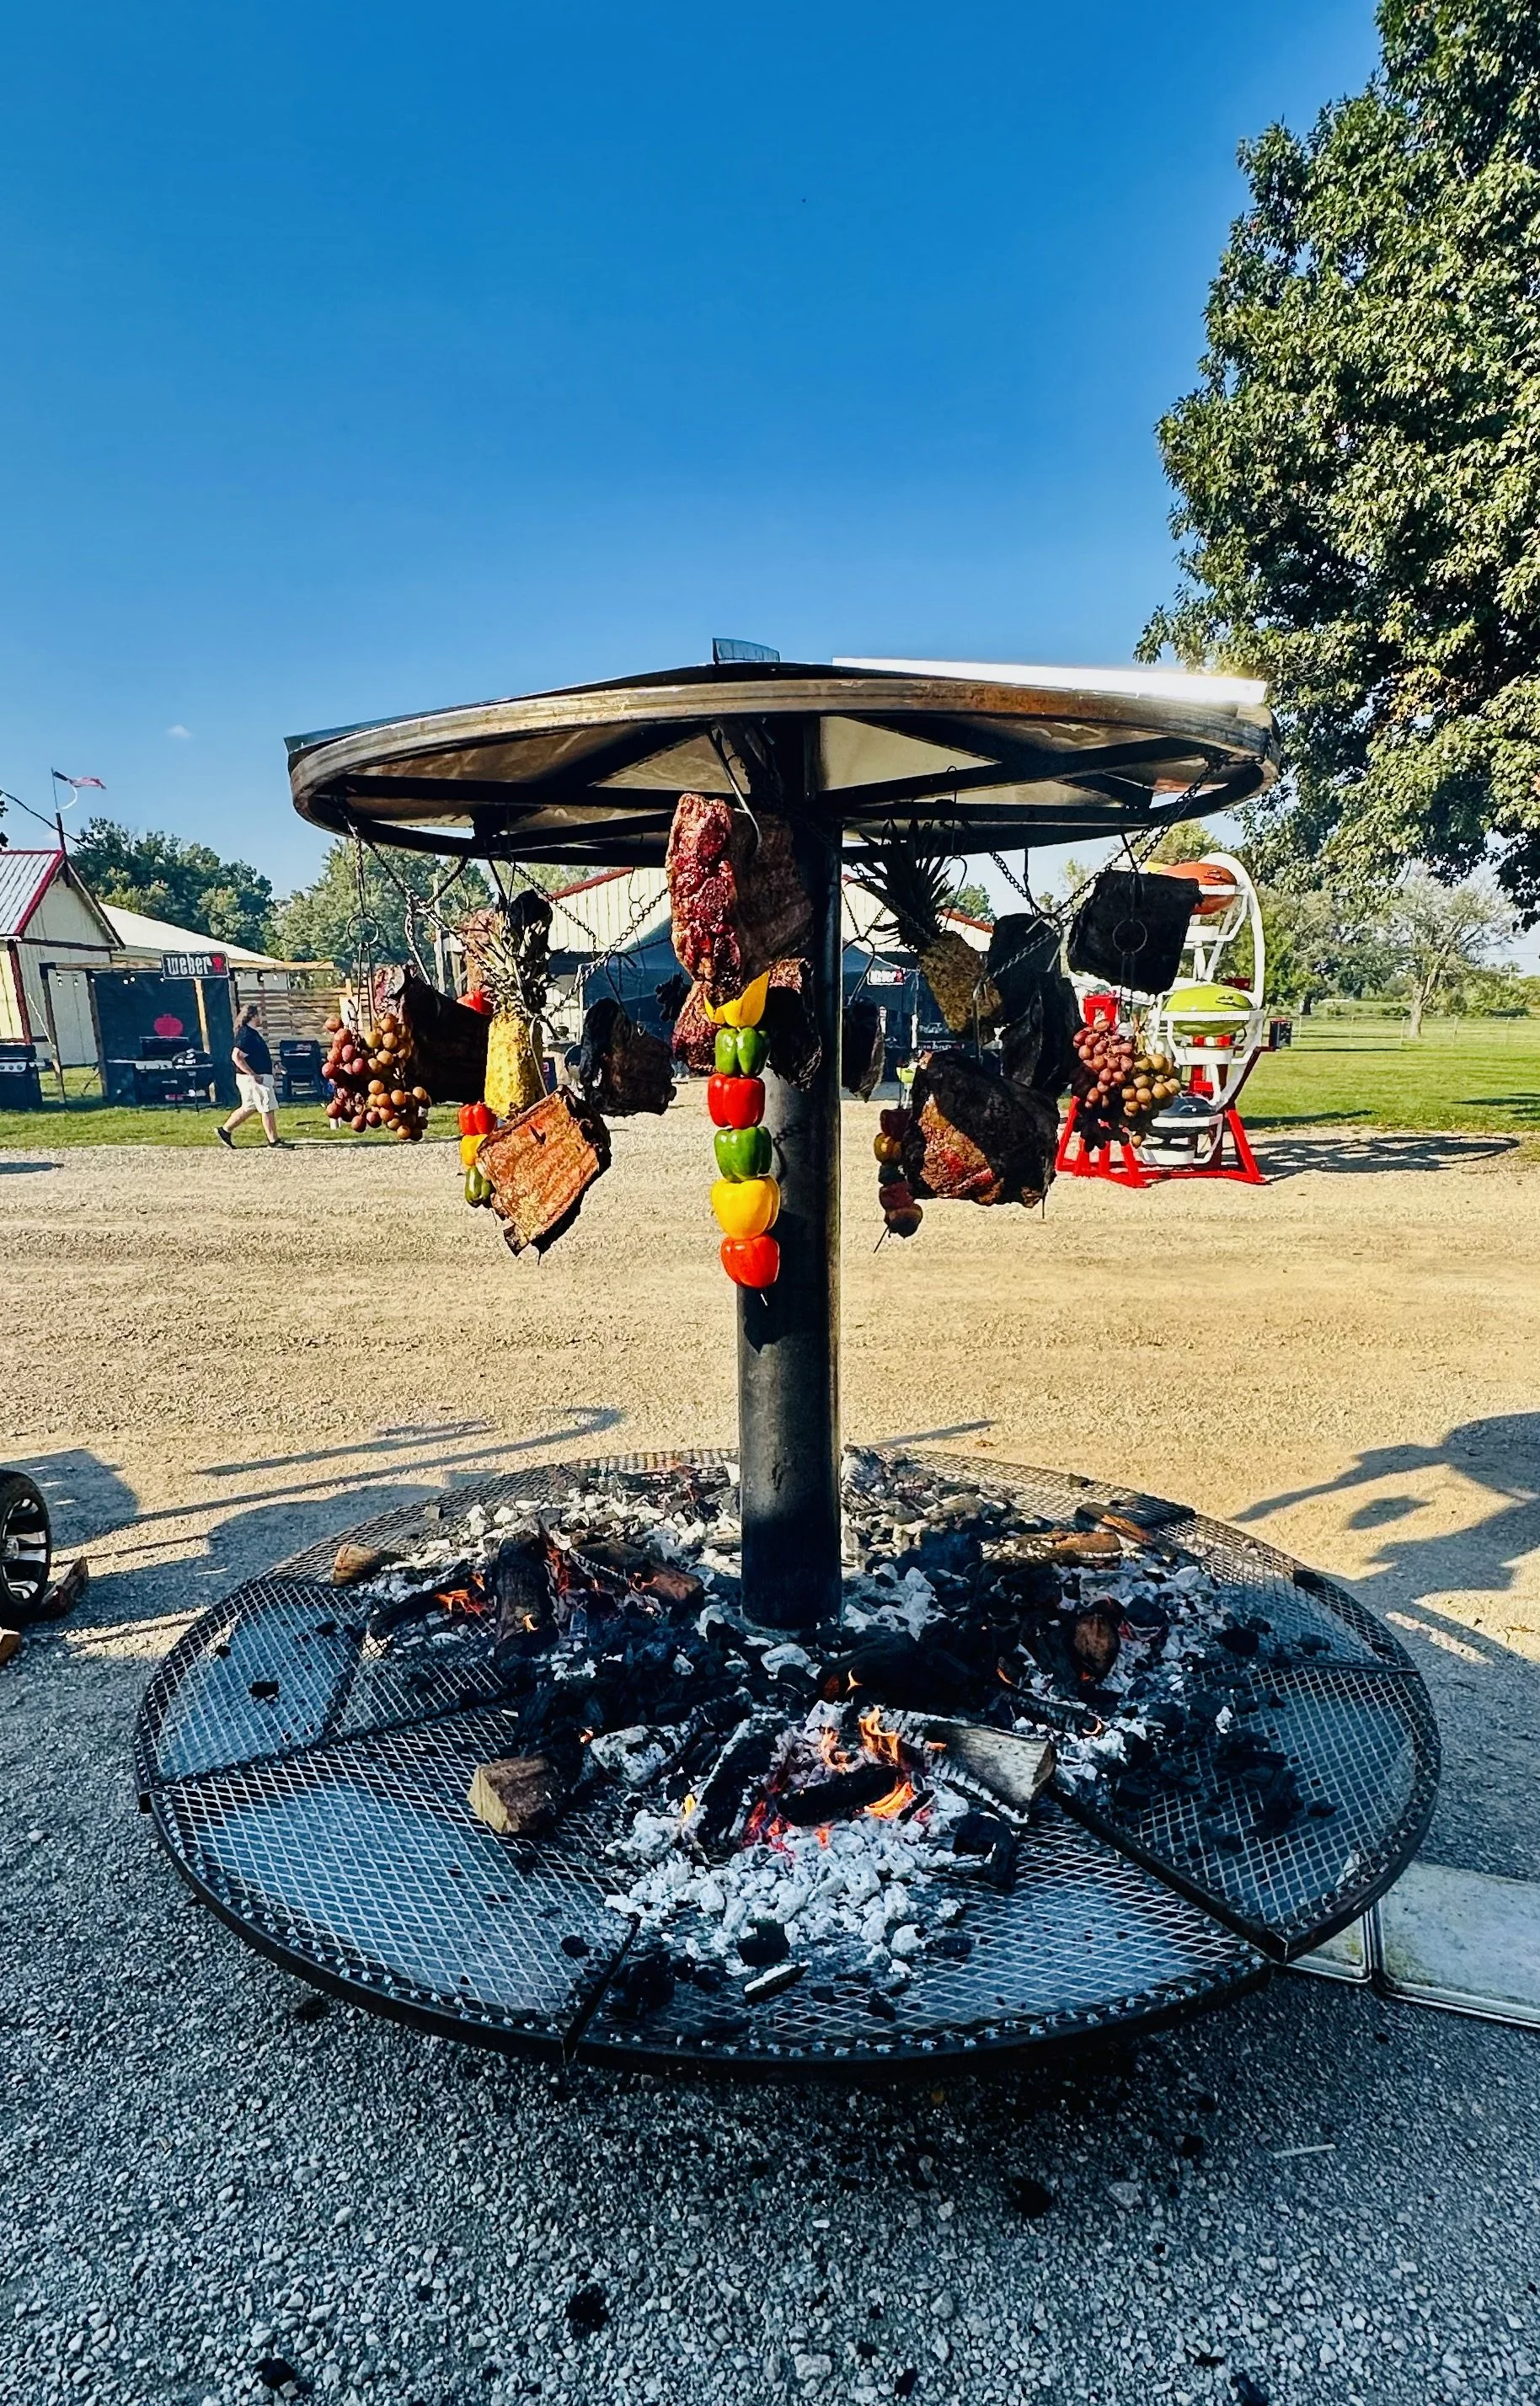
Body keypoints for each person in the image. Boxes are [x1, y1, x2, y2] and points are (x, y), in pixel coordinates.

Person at [217, 1002, 290, 1149]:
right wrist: (253, 1074)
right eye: (259, 1015)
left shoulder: (252, 1034)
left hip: (255, 1077)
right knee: (267, 1106)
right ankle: (273, 1140)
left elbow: (257, 1055)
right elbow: (236, 1056)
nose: (261, 1018)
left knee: (249, 1107)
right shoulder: (246, 1034)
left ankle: (225, 1130)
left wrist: (274, 1064)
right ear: (253, 1016)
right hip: (254, 1079)